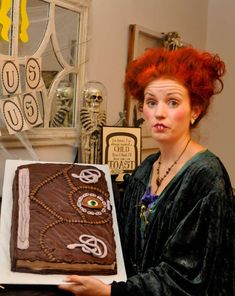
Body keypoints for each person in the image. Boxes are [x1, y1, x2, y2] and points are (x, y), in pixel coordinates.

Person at [59, 47, 235, 295]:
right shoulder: (146, 169)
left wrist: (112, 292)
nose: (159, 113)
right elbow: (121, 244)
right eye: (151, 102)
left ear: (195, 110)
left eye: (172, 102)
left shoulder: (205, 177)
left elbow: (188, 278)